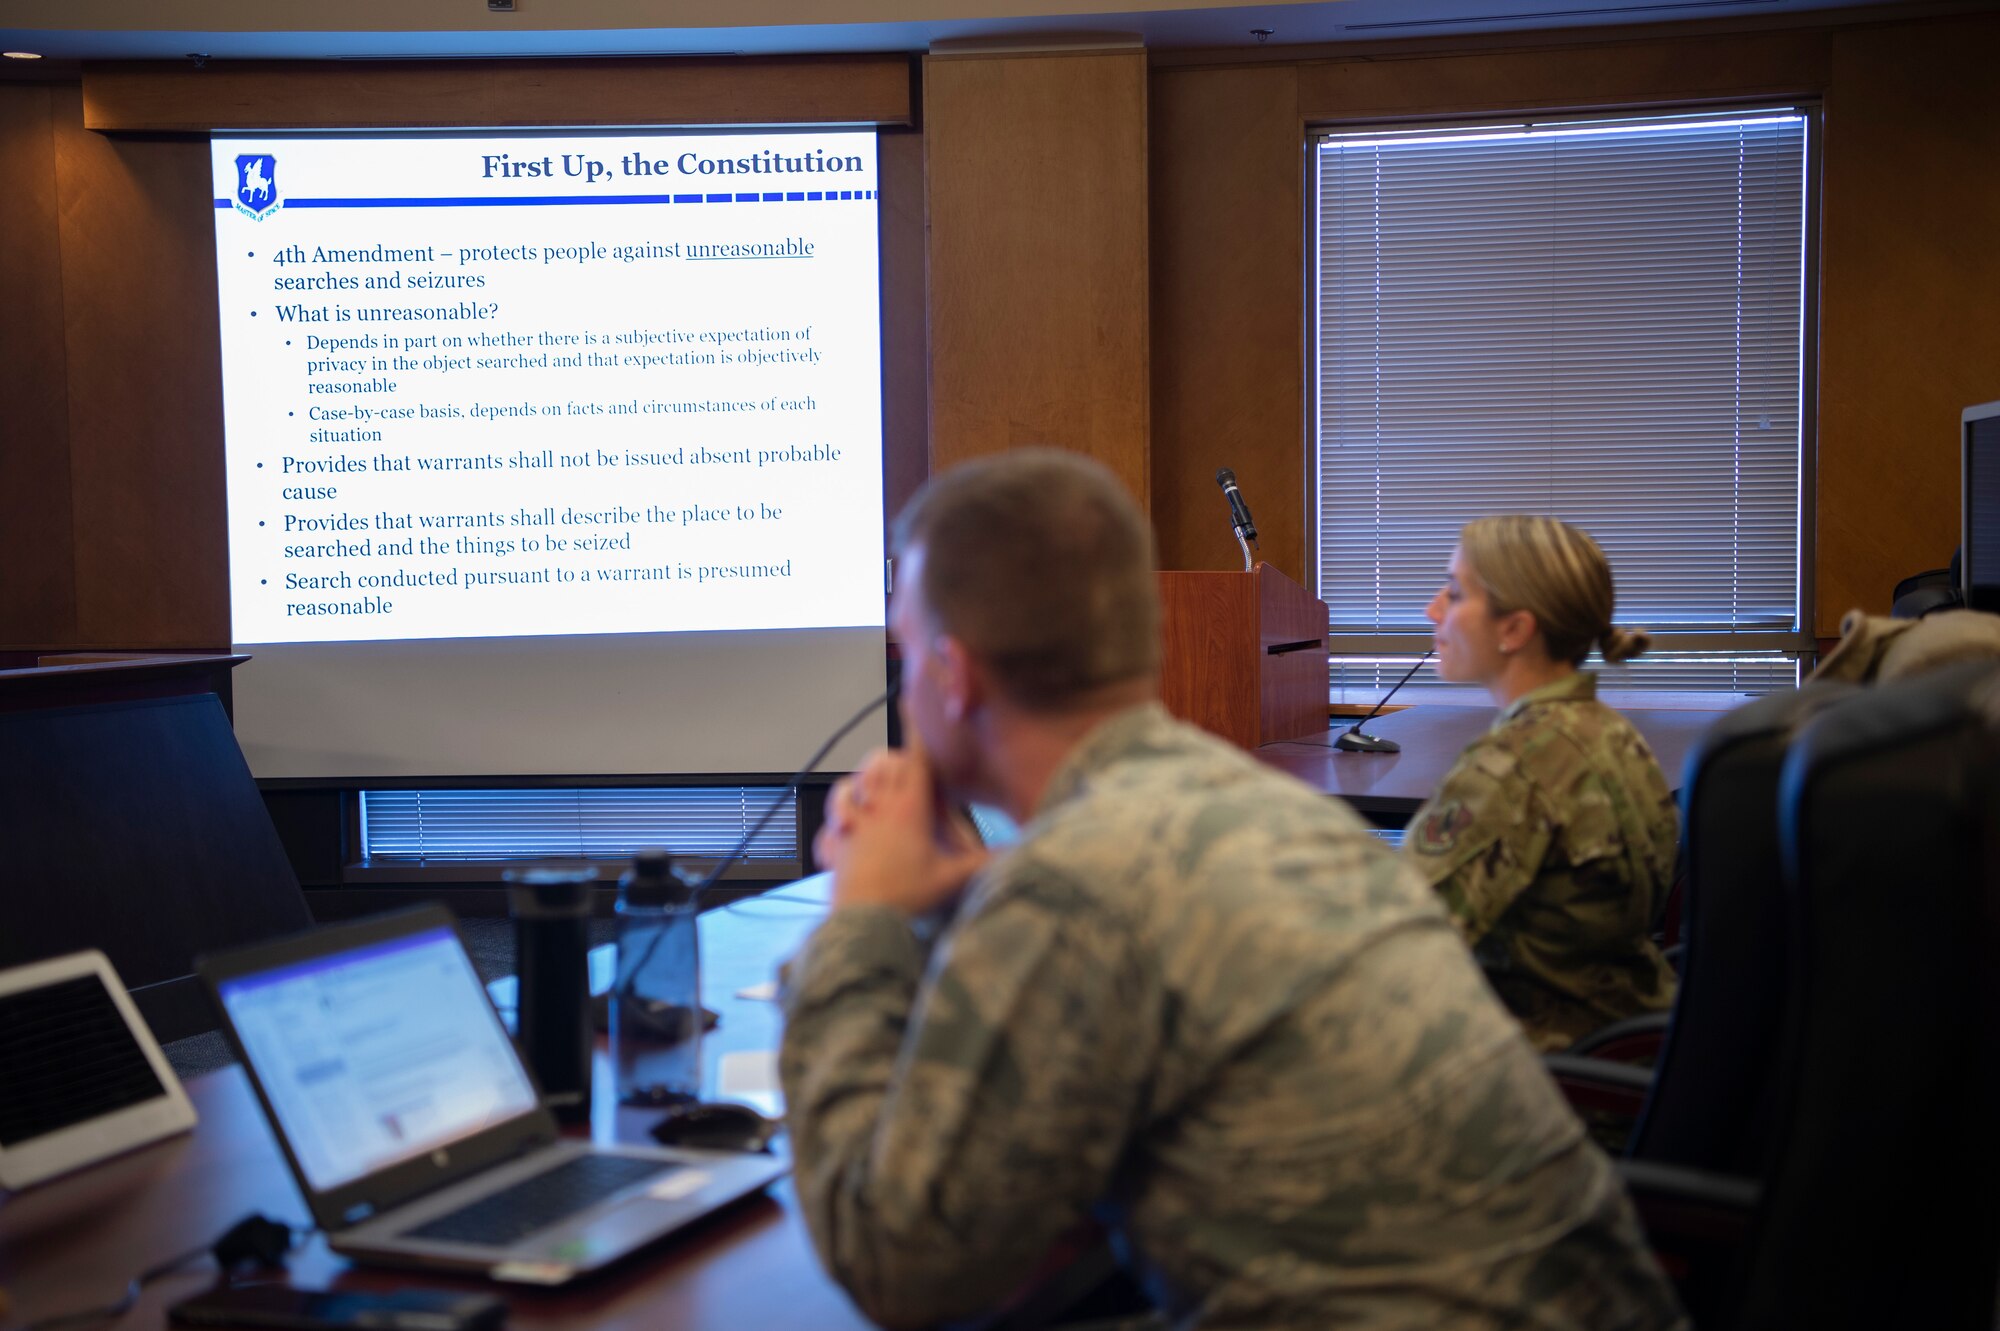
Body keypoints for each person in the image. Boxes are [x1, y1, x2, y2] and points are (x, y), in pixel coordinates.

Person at [777, 450, 1685, 1330]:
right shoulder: (1262, 807)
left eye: (904, 645)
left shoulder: (1075, 888)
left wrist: (858, 920)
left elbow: (901, 1264)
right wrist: (983, 888)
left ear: (955, 673)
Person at [1403, 516, 1679, 1052]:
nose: (1432, 609)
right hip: (1631, 1050)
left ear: (1514, 629)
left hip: (1545, 1082)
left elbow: (1390, 939)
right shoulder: (1615, 734)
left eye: (1455, 593)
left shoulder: (1510, 769)